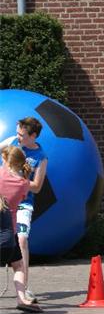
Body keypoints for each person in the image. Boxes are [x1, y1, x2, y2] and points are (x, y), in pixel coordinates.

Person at [0, 117, 48, 302]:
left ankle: (24, 288)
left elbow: (37, 187)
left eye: (22, 135)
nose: (18, 137)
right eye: (17, 133)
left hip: (23, 202)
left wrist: (19, 184)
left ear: (33, 136)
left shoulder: (41, 157)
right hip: (4, 202)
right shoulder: (12, 144)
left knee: (21, 239)